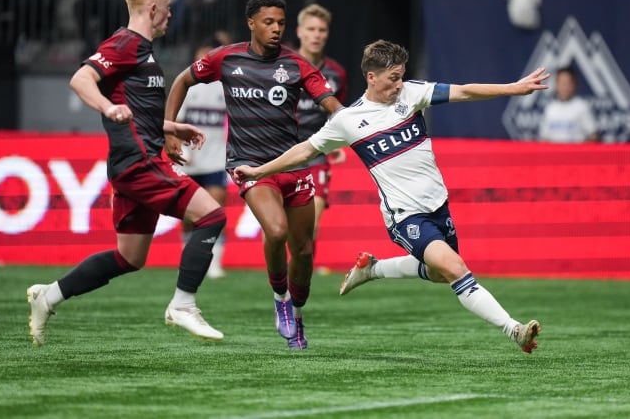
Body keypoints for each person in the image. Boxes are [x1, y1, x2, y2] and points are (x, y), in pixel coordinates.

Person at [233, 39, 547, 354]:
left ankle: (373, 269)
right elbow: (305, 150)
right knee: (455, 269)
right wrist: (260, 172)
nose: (399, 84)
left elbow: (464, 90)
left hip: (438, 205)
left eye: (401, 76)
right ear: (371, 77)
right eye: (392, 78)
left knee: (439, 274)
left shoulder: (412, 93)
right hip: (405, 216)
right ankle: (514, 330)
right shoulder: (348, 121)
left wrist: (513, 88)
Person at [26, 0, 227, 347]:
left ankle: (48, 295)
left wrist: (171, 127)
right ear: (152, 9)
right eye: (167, 9)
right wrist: (106, 105)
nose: (171, 16)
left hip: (137, 161)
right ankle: (183, 305)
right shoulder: (125, 43)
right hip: (138, 162)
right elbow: (81, 79)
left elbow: (133, 108)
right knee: (213, 214)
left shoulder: (143, 52)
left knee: (129, 257)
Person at [164, 0, 343, 350]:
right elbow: (183, 79)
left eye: (280, 23)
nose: (277, 29)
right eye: (268, 22)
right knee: (276, 231)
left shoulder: (297, 65)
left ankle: (297, 309)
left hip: (293, 165)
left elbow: (333, 106)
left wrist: (349, 123)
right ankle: (281, 304)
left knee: (304, 251)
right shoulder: (226, 58)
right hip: (250, 167)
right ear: (251, 24)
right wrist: (169, 127)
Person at [295, 3, 348, 259]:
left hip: (315, 152)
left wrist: (336, 145)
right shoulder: (282, 67)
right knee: (278, 230)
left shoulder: (336, 74)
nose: (316, 34)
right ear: (300, 32)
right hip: (280, 153)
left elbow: (337, 114)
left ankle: (301, 281)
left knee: (311, 224)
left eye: (322, 30)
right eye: (311, 29)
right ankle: (280, 283)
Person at [176, 37, 229, 279]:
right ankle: (187, 256)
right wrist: (180, 148)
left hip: (216, 159)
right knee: (189, 215)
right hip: (191, 161)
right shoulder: (188, 87)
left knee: (217, 209)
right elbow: (176, 120)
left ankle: (215, 263)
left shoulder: (225, 88)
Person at [538, 66, 599, 143]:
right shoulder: (550, 108)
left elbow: (593, 135)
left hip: (575, 153)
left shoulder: (581, 106)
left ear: (574, 84)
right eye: (561, 83)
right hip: (554, 154)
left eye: (567, 83)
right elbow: (544, 138)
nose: (564, 87)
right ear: (556, 84)